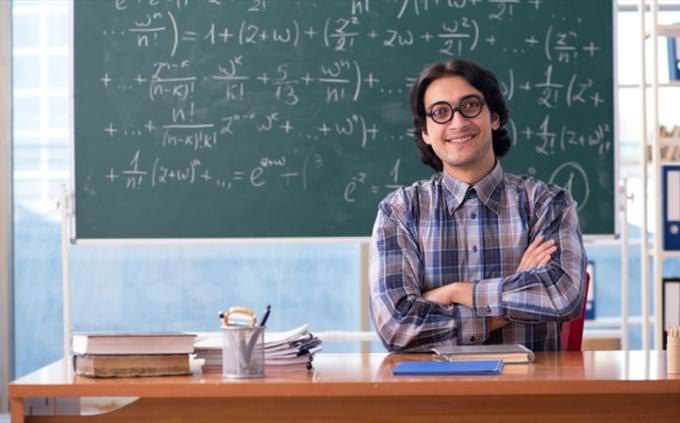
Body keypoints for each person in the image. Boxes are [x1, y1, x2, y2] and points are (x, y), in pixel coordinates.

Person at [369, 59, 587, 352]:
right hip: (431, 395)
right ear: (425, 132)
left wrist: (456, 292)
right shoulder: (399, 212)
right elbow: (396, 327)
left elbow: (563, 295)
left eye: (470, 106)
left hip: (529, 393)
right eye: (441, 112)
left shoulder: (547, 203)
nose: (458, 123)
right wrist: (516, 286)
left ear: (494, 116)